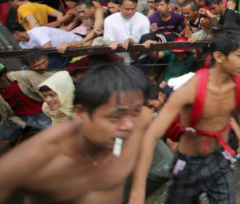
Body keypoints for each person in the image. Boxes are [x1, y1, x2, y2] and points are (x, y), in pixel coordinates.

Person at [129, 29, 240, 204]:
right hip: (188, 165)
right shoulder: (190, 90)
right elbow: (151, 135)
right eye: (239, 55)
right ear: (219, 56)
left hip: (220, 160)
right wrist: (137, 193)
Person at [0, 63, 151, 203]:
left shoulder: (139, 119)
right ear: (80, 113)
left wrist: (136, 195)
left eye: (135, 111)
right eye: (115, 116)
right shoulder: (38, 159)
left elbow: (147, 137)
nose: (128, 125)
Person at [0, 62, 52, 154]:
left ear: (3, 76)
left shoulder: (24, 77)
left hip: (41, 112)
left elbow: (50, 86)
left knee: (52, 135)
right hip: (16, 118)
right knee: (2, 140)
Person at [104, 0, 151, 64]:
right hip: (118, 60)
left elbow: (145, 40)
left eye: (133, 9)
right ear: (119, 7)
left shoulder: (143, 19)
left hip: (139, 58)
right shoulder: (109, 20)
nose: (130, 12)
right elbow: (108, 40)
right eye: (127, 9)